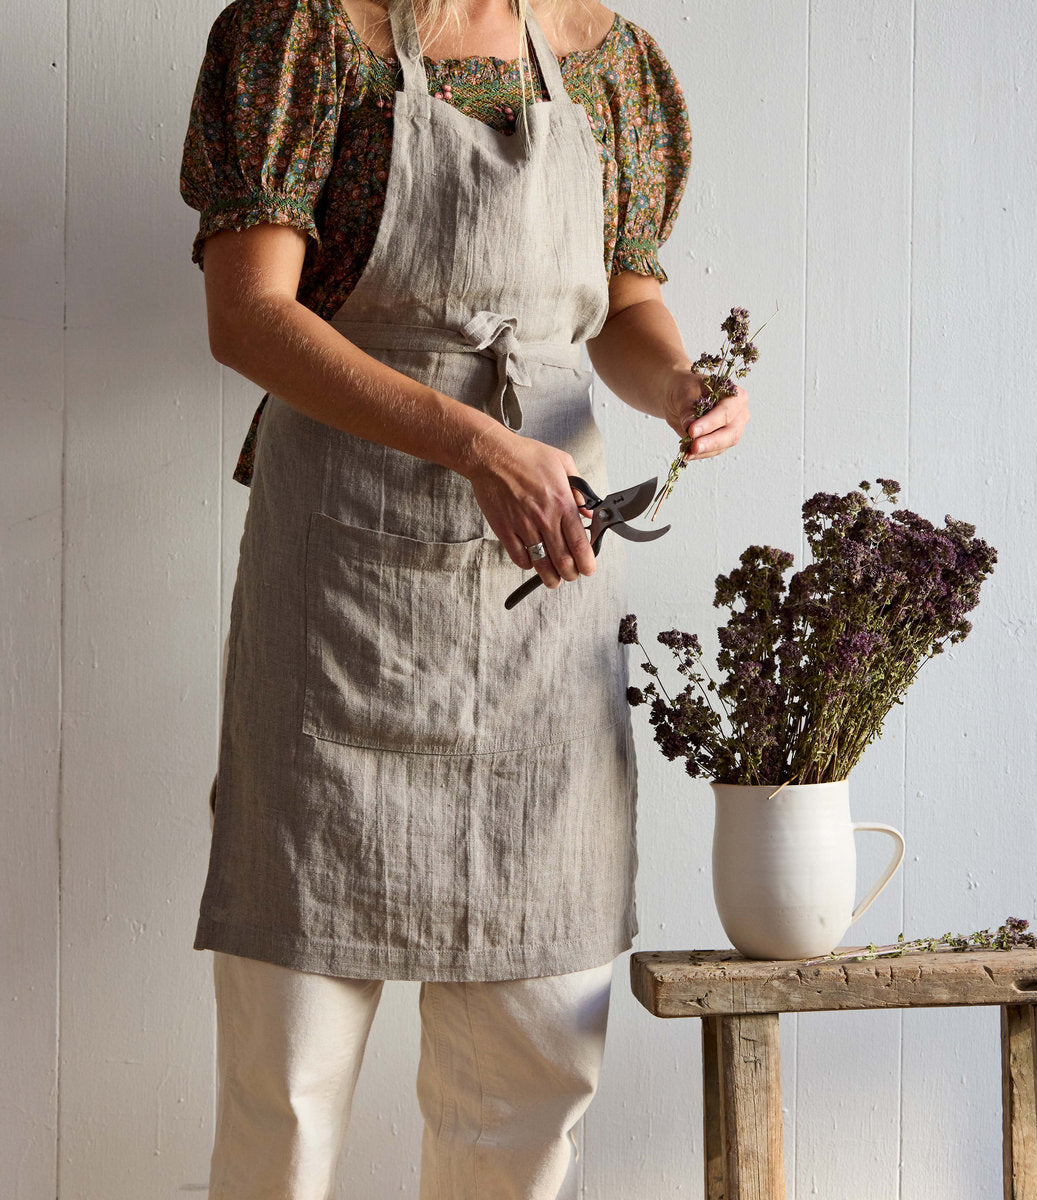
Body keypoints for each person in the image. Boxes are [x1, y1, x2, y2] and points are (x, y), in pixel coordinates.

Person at [181, 0, 749, 1195]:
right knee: (288, 1081)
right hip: (342, 585)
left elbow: (628, 310)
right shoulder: (303, 34)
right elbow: (248, 315)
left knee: (534, 1079)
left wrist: (682, 387)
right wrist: (477, 447)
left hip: (547, 598)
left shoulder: (616, 64)